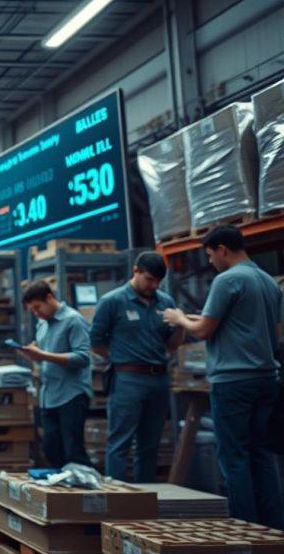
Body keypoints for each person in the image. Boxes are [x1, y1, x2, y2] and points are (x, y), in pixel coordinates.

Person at [162, 226, 283, 529]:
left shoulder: (227, 280)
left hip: (233, 381)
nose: (211, 262)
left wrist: (178, 319)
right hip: (266, 378)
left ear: (222, 249)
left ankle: (245, 529)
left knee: (234, 457)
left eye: (210, 255)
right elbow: (273, 332)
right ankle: (274, 528)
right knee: (262, 454)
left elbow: (203, 330)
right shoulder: (268, 282)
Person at [89, 252, 184, 482]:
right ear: (136, 271)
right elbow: (95, 341)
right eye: (149, 279)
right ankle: (117, 501)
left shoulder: (166, 302)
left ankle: (144, 498)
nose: (153, 286)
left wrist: (181, 324)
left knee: (149, 444)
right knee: (120, 442)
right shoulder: (112, 301)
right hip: (127, 380)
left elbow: (171, 344)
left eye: (157, 281)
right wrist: (121, 357)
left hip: (158, 380)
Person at [18, 280, 92, 468]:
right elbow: (44, 351)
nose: (36, 314)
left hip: (71, 395)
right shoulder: (42, 323)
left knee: (73, 451)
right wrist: (34, 352)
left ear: (50, 298)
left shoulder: (73, 320)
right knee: (51, 448)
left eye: (37, 307)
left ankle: (85, 492)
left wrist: (43, 355)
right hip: (49, 395)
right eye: (32, 311)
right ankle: (63, 491)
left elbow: (82, 357)